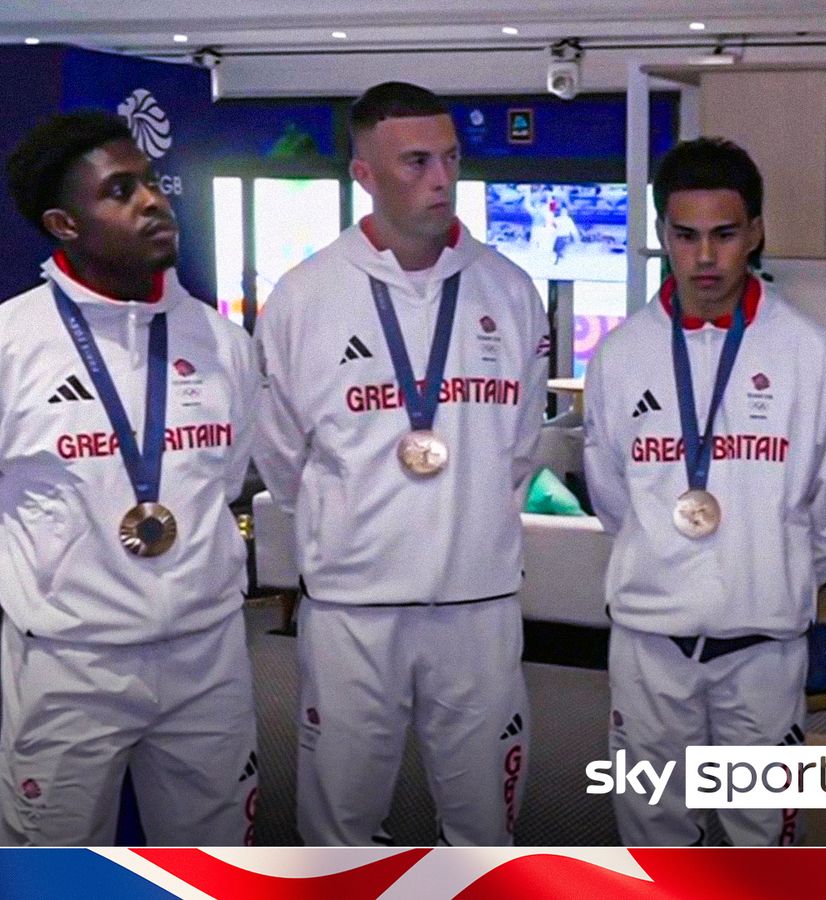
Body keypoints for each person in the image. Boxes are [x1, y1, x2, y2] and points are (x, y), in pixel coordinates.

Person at [254, 82, 548, 846]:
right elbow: (284, 458)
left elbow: (518, 448)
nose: (441, 180)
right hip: (353, 609)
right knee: (343, 825)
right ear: (364, 174)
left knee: (482, 826)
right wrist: (349, 528)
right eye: (415, 161)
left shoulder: (509, 290)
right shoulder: (304, 296)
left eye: (450, 158)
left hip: (478, 605)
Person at [583, 137, 826, 845]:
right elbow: (616, 500)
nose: (705, 258)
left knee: (759, 835)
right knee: (651, 834)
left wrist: (772, 576)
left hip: (764, 649)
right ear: (661, 237)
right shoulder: (620, 357)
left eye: (724, 234)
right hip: (649, 648)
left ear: (756, 232)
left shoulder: (810, 354)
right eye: (685, 236)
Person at [0, 111, 259, 844]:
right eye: (120, 190)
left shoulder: (223, 342)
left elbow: (229, 475)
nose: (152, 200)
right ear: (64, 223)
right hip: (70, 666)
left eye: (148, 181)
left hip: (209, 657)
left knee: (215, 868)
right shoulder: (13, 345)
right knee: (54, 872)